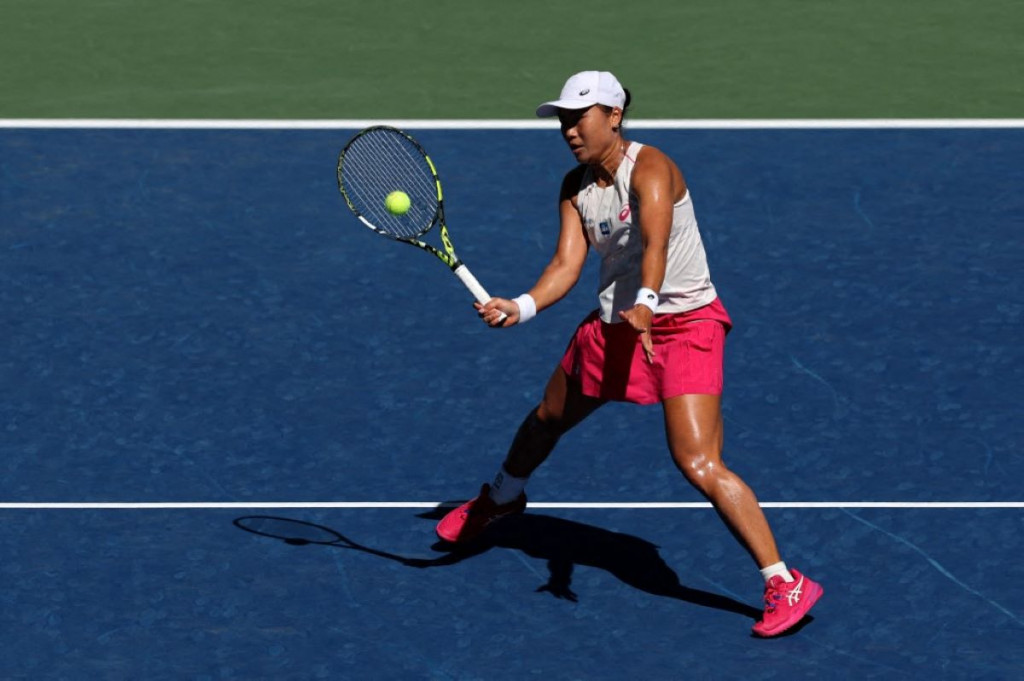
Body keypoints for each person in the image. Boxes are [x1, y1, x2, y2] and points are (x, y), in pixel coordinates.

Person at [435, 71, 822, 638]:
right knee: (547, 417)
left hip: (685, 326)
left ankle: (783, 580)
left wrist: (646, 302)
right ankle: (501, 497)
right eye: (564, 120)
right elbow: (567, 266)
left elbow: (656, 242)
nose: (569, 129)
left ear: (614, 115)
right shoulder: (575, 186)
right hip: (618, 327)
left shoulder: (653, 167)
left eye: (580, 116)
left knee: (697, 461)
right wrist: (519, 307)